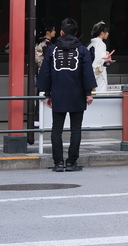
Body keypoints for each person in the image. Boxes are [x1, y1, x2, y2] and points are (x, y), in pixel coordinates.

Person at [37, 18, 97, 172]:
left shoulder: (52, 50)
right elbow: (87, 72)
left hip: (58, 93)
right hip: (77, 94)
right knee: (76, 128)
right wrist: (88, 93)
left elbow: (46, 72)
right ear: (76, 34)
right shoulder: (82, 50)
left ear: (62, 32)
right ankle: (71, 162)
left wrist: (48, 93)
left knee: (56, 128)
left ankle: (58, 163)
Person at [88, 21, 113, 93]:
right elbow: (99, 61)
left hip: (90, 74)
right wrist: (107, 60)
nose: (108, 33)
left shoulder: (90, 44)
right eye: (106, 31)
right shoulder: (101, 44)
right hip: (99, 76)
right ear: (102, 33)